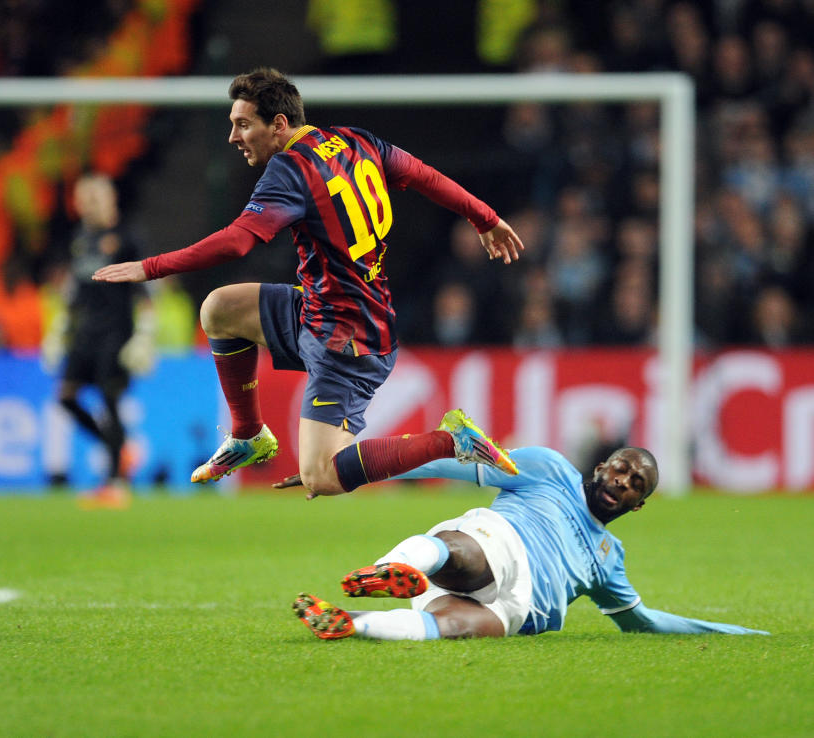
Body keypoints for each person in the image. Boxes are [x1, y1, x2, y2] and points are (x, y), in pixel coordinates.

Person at [93, 67, 524, 496]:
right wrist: (484, 218)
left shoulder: (291, 169)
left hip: (349, 339)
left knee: (322, 475)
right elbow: (424, 175)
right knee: (219, 309)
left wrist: (151, 267)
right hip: (321, 310)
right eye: (231, 125)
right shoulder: (358, 140)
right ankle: (249, 435)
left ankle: (450, 440)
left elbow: (239, 242)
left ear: (279, 125)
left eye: (243, 125)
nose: (233, 137)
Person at [280, 446, 768, 640]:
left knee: (454, 626)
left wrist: (733, 633)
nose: (624, 480)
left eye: (636, 483)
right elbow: (443, 462)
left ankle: (352, 623)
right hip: (504, 540)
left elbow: (642, 622)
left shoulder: (609, 559)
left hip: (522, 608)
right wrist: (348, 473)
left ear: (636, 506)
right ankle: (391, 568)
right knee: (466, 551)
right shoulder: (549, 469)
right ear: (602, 466)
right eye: (621, 468)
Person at [43, 172, 155, 508]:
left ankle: (116, 483)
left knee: (109, 399)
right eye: (81, 199)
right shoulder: (81, 238)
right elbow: (75, 290)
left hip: (115, 333)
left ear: (109, 200)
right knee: (65, 396)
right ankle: (119, 450)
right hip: (85, 332)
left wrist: (145, 334)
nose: (86, 205)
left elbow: (146, 291)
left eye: (92, 197)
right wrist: (59, 329)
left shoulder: (126, 238)